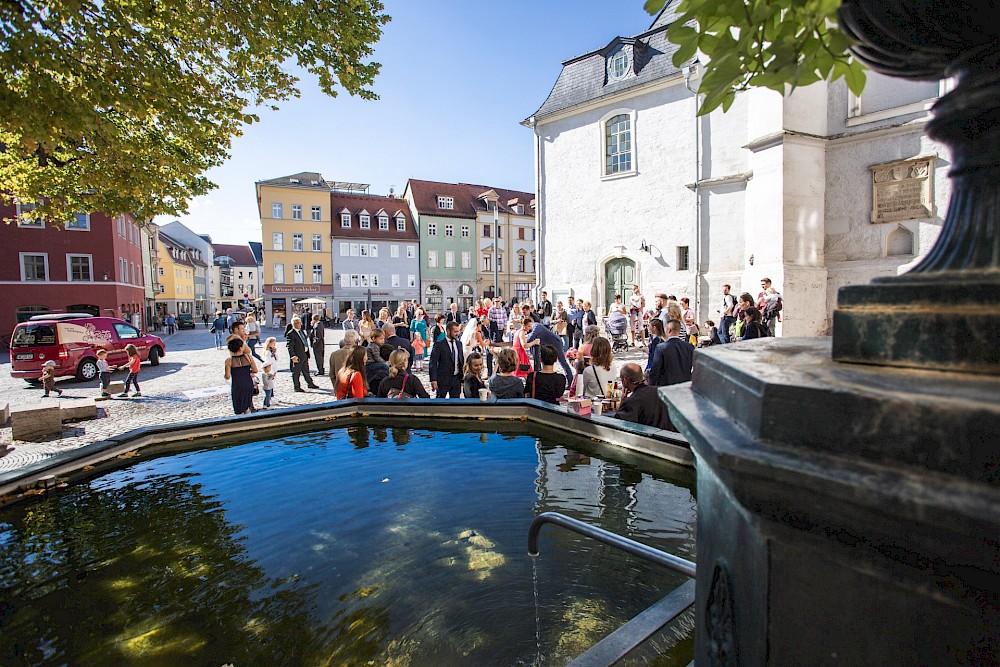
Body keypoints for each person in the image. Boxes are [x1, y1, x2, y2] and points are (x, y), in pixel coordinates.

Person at [615, 363, 675, 431]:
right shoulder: (660, 392)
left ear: (625, 381)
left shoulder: (632, 401)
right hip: (670, 437)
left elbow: (618, 424)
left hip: (649, 439)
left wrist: (622, 402)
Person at [648, 319, 695, 387]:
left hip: (666, 386)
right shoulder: (690, 347)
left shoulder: (661, 348)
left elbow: (655, 369)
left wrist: (651, 386)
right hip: (685, 385)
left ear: (669, 330)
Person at [429, 321, 465, 398]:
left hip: (456, 379)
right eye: (455, 331)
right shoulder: (439, 344)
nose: (457, 333)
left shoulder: (459, 344)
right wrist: (433, 379)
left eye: (458, 331)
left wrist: (462, 378)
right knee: (440, 401)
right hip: (443, 379)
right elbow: (433, 362)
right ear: (448, 331)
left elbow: (461, 360)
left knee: (455, 402)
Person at [224, 337, 257, 414]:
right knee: (246, 407)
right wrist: (245, 372)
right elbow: (255, 370)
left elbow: (227, 376)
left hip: (237, 385)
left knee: (238, 408)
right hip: (248, 384)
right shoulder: (248, 357)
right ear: (241, 348)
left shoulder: (229, 361)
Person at [286, 316, 319, 391]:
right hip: (297, 355)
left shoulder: (301, 331)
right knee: (296, 372)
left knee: (306, 370)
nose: (300, 324)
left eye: (300, 322)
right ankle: (296, 386)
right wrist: (293, 356)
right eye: (297, 323)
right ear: (294, 324)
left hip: (304, 354)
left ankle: (310, 383)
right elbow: (290, 346)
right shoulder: (291, 333)